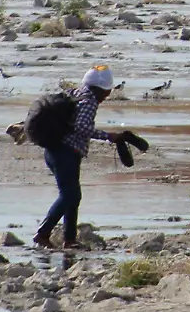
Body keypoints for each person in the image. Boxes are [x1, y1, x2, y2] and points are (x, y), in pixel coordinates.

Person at [32, 65, 136, 250]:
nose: (107, 95)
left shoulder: (75, 93)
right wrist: (108, 136)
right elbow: (81, 127)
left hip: (54, 150)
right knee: (69, 195)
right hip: (66, 153)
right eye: (107, 91)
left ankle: (69, 240)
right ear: (101, 89)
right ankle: (43, 234)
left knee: (73, 196)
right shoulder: (89, 101)